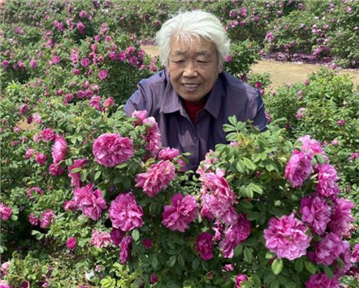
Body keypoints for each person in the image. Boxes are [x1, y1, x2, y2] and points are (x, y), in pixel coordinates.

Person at [124, 10, 267, 172]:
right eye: (179, 61)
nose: (190, 72)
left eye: (202, 60)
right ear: (166, 64)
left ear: (219, 64)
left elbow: (261, 169)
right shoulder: (147, 96)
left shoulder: (246, 102)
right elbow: (120, 151)